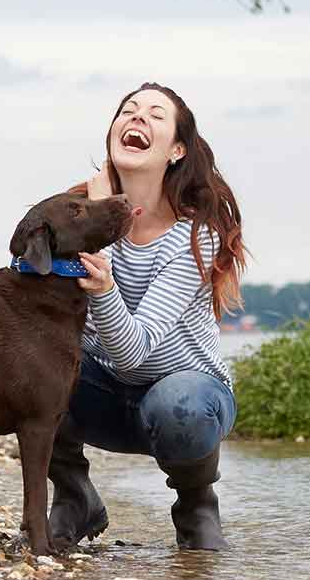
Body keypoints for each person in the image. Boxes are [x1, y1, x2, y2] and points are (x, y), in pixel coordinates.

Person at [47, 82, 247, 551]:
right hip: (98, 397)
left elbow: (134, 353)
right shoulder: (75, 212)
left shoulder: (195, 238)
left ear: (177, 149)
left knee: (179, 403)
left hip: (186, 399)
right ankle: (74, 496)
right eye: (128, 111)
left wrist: (103, 257)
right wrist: (93, 218)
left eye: (156, 115)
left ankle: (196, 505)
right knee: (33, 358)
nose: (137, 118)